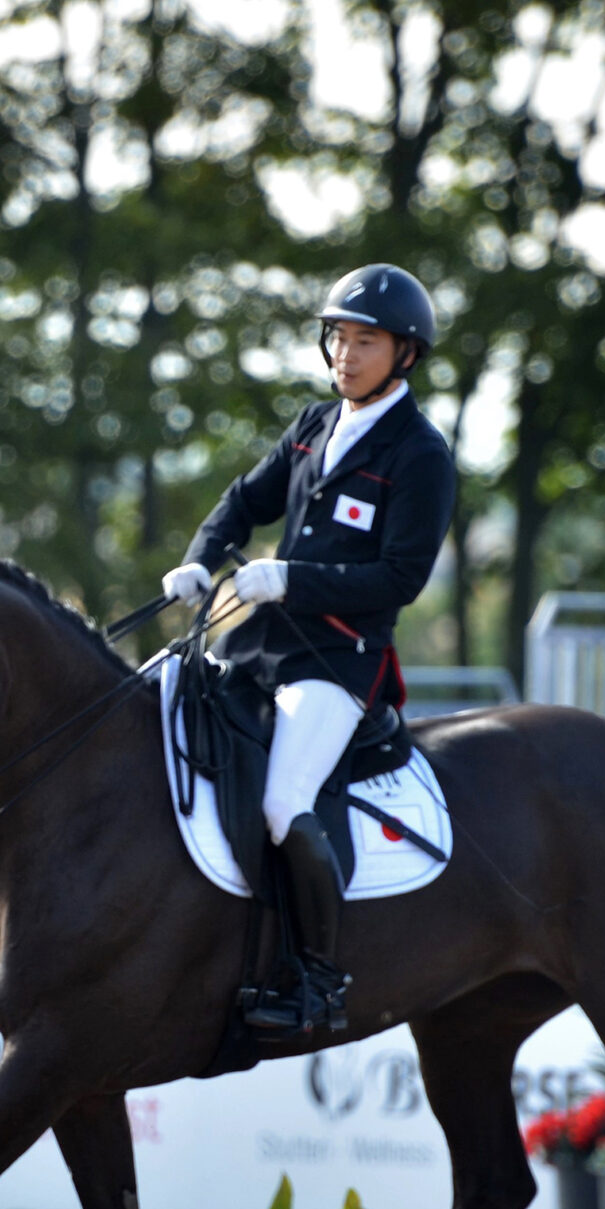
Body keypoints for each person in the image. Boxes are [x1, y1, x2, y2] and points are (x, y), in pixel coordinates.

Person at [162, 265, 457, 1037]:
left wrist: (290, 578)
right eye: (339, 339)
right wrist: (205, 554)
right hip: (259, 643)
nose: (346, 357)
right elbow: (243, 500)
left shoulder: (420, 454)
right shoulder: (311, 425)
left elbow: (400, 576)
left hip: (338, 661)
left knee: (282, 801)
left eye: (366, 343)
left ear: (405, 356)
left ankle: (319, 980)